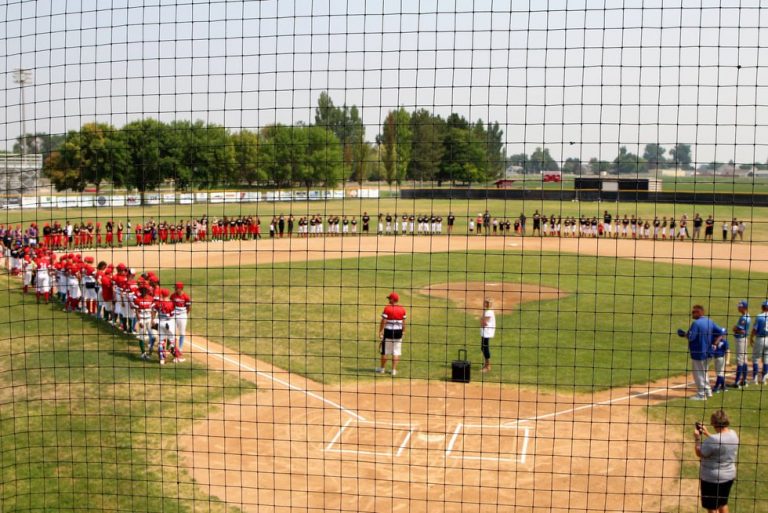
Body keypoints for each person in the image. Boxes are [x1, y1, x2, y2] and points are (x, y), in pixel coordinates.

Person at [694, 410, 739, 513]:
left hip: (712, 479)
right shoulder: (733, 434)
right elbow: (719, 443)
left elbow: (699, 453)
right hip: (728, 477)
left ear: (714, 423)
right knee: (722, 503)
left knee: (712, 508)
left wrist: (697, 439)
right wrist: (707, 433)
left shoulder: (713, 440)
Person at [683, 305, 723, 400]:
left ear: (699, 312)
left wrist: (684, 335)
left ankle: (701, 395)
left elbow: (691, 337)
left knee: (699, 374)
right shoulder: (710, 321)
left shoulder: (696, 324)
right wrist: (715, 343)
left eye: (694, 312)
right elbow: (721, 332)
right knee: (704, 372)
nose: (692, 314)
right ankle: (708, 392)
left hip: (698, 353)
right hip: (709, 353)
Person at [376, 292, 407, 376]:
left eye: (390, 298)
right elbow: (404, 322)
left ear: (393, 300)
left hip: (388, 332)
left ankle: (382, 369)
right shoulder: (402, 309)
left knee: (385, 351)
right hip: (398, 332)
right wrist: (403, 331)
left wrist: (380, 331)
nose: (389, 300)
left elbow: (383, 321)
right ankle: (393, 371)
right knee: (396, 352)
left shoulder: (387, 308)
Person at [730, 300, 751, 388]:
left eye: (740, 306)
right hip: (744, 339)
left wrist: (735, 329)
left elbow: (742, 330)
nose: (738, 308)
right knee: (744, 359)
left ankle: (737, 382)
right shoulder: (747, 316)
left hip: (741, 340)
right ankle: (744, 380)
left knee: (740, 360)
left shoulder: (744, 318)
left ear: (744, 307)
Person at [749, 300, 768, 384]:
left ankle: (755, 379)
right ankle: (764, 379)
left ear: (762, 307)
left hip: (760, 339)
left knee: (756, 359)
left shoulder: (759, 316)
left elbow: (755, 329)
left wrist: (751, 337)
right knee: (766, 359)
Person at [710, 328, 730, 393]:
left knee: (719, 373)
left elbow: (728, 351)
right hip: (716, 358)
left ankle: (716, 387)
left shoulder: (724, 342)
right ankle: (723, 386)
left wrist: (727, 360)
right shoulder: (715, 340)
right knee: (719, 372)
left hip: (721, 358)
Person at [480, 298, 496, 373]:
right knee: (483, 348)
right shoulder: (487, 311)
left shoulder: (489, 312)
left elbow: (484, 322)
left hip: (487, 332)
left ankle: (488, 366)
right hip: (485, 332)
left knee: (485, 348)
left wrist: (481, 319)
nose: (484, 304)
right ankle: (486, 364)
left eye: (485, 303)